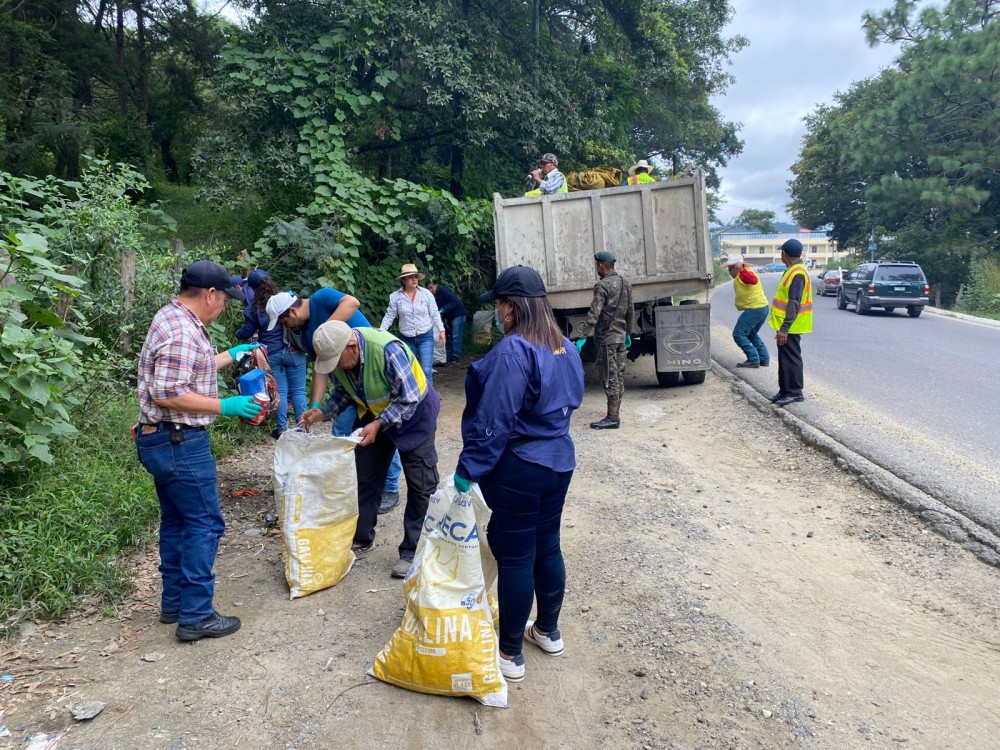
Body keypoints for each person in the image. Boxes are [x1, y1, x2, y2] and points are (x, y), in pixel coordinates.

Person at [454, 265, 584, 683]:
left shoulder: (514, 351)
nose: (497, 312)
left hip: (520, 468)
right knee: (547, 547)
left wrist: (468, 468)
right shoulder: (565, 346)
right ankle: (547, 630)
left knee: (516, 558)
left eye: (498, 304)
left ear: (512, 307)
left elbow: (494, 419)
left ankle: (509, 653)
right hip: (558, 462)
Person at [135, 260, 264, 642]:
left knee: (178, 521)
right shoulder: (181, 333)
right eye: (224, 298)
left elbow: (190, 370)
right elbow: (169, 392)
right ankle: (196, 615)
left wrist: (233, 352)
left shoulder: (175, 319)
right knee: (205, 524)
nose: (225, 305)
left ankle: (174, 604)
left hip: (161, 438)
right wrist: (226, 406)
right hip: (178, 441)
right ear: (209, 294)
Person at [300, 321, 440, 579]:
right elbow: (344, 393)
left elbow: (409, 397)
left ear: (352, 346)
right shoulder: (340, 358)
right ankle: (361, 537)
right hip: (375, 416)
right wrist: (323, 412)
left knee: (421, 485)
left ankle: (412, 551)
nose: (333, 367)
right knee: (364, 476)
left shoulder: (387, 350)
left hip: (414, 414)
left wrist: (379, 423)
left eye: (336, 361)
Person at [266, 287, 403, 514]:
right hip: (346, 383)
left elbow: (353, 302)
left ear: (292, 312)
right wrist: (315, 408)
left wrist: (327, 332)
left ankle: (389, 488)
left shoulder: (321, 297)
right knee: (343, 430)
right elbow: (320, 369)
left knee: (382, 428)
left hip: (371, 370)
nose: (285, 329)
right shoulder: (307, 333)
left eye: (283, 323)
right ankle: (353, 484)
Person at [236, 272, 307, 438]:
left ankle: (281, 428)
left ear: (252, 288)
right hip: (294, 350)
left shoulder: (253, 308)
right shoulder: (285, 299)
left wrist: (238, 333)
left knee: (280, 392)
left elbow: (246, 331)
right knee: (298, 391)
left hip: (272, 353)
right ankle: (303, 427)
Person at [575, 251, 634, 429]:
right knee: (619, 374)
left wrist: (583, 337)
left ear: (601, 265)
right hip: (620, 337)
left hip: (607, 339)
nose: (597, 269)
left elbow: (594, 314)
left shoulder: (602, 286)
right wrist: (628, 334)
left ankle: (612, 418)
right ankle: (614, 413)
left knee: (609, 377)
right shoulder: (625, 284)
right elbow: (630, 311)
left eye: (597, 265)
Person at [380, 264, 445, 383]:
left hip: (425, 336)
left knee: (426, 370)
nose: (414, 279)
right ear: (403, 280)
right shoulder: (395, 297)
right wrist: (381, 331)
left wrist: (442, 330)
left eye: (415, 276)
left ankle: (429, 400)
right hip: (406, 338)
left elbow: (434, 313)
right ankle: (413, 397)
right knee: (408, 370)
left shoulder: (426, 294)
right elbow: (390, 316)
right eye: (410, 277)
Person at [768, 239, 814, 406]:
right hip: (788, 324)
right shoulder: (793, 270)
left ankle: (795, 392)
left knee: (792, 358)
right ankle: (785, 390)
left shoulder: (797, 273)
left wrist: (784, 329)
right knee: (784, 358)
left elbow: (794, 302)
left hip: (792, 325)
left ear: (784, 254)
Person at [722, 255, 771, 369]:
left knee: (738, 334)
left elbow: (753, 280)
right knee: (751, 334)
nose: (729, 272)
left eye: (730, 269)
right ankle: (763, 358)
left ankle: (753, 359)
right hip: (761, 308)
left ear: (736, 267)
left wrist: (741, 269)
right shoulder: (742, 275)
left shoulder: (745, 273)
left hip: (755, 309)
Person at [427, 279, 467, 363]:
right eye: (429, 289)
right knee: (449, 336)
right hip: (450, 316)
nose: (431, 290)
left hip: (458, 314)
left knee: (456, 336)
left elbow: (454, 301)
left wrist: (443, 310)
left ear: (436, 285)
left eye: (431, 287)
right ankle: (448, 355)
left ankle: (455, 356)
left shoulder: (443, 290)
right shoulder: (435, 296)